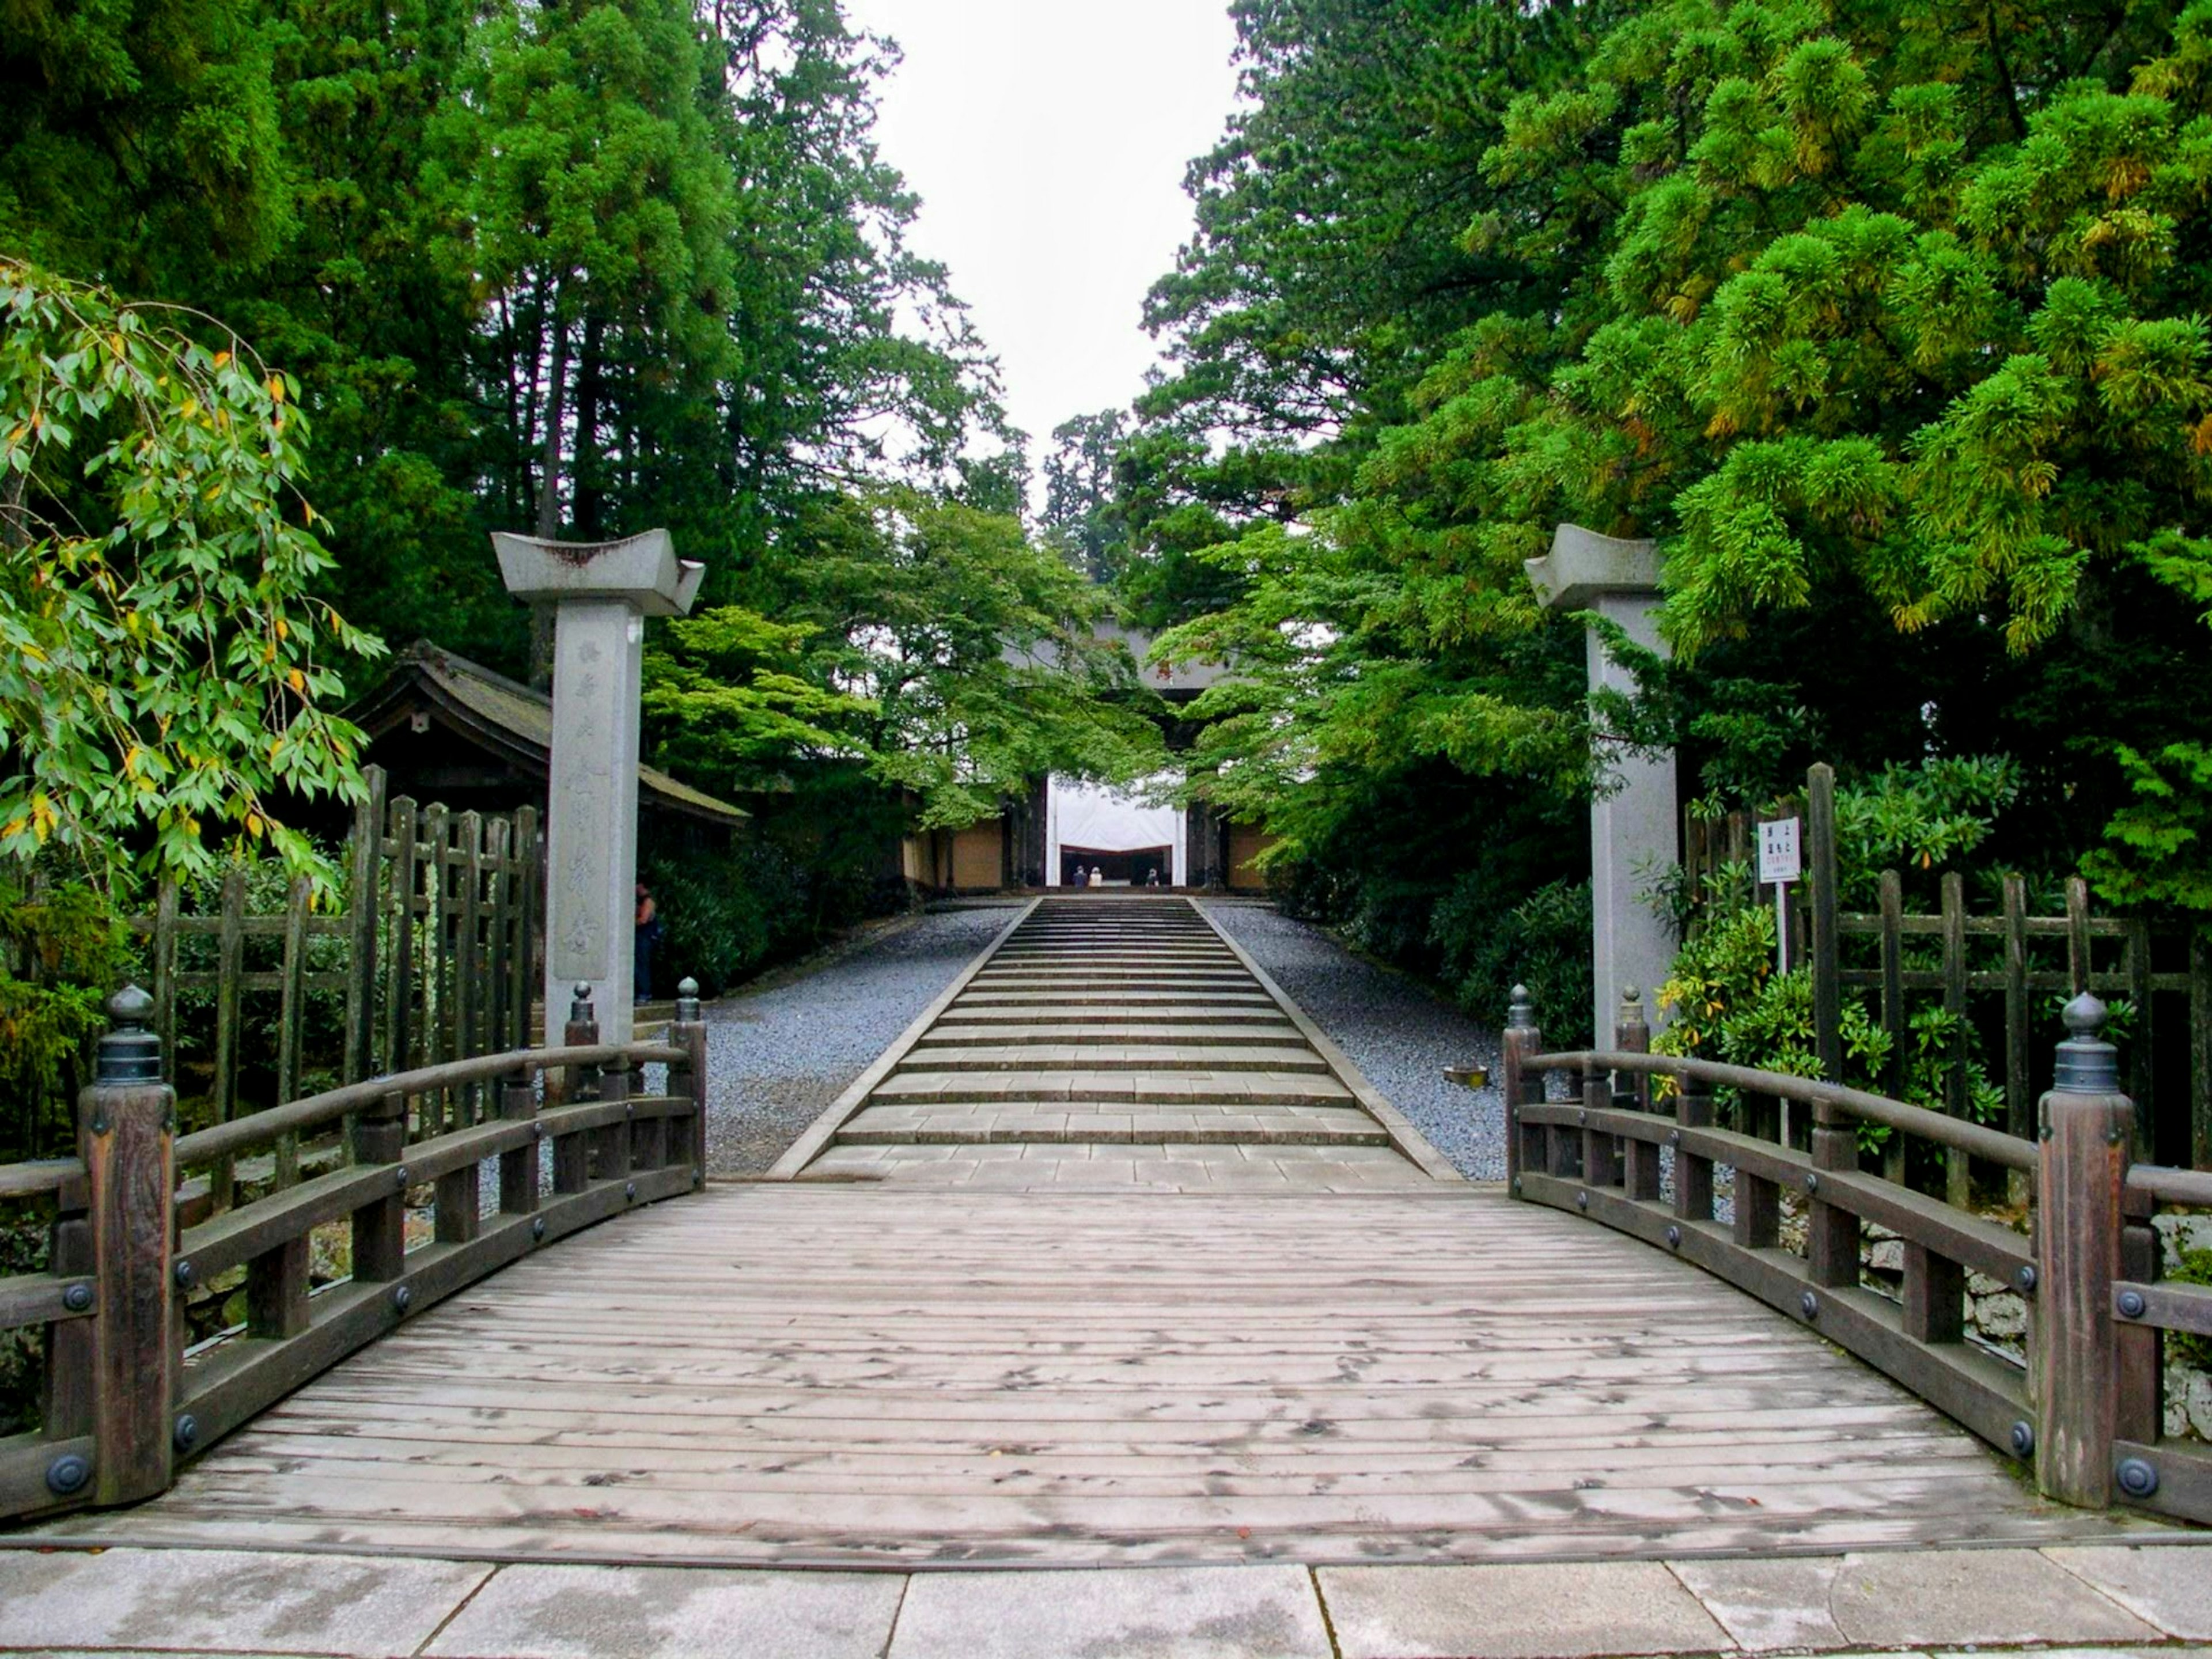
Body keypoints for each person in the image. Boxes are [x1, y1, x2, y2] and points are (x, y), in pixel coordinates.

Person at [634, 881, 663, 1002]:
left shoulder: (648, 901)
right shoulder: (640, 902)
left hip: (644, 937)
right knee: (638, 965)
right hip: (640, 938)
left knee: (642, 965)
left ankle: (644, 993)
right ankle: (640, 992)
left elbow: (644, 920)